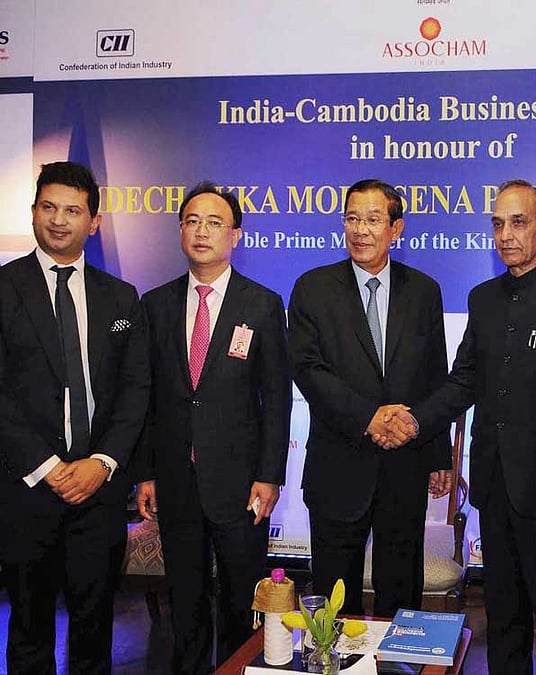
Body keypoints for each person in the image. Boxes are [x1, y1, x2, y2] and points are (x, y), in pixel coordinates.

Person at [385, 179, 536, 674]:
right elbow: (462, 382)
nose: (506, 234)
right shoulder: (483, 298)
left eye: (519, 221)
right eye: (498, 223)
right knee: (504, 617)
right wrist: (415, 419)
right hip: (495, 484)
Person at [133, 182, 291, 672]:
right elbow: (147, 399)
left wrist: (269, 475)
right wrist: (147, 472)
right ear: (180, 229)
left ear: (236, 235)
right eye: (193, 221)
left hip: (242, 484)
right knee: (187, 602)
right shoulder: (154, 305)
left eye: (215, 223)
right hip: (177, 481)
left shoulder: (262, 303)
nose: (202, 231)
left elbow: (277, 399)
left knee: (244, 603)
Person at [0, 161, 151, 674]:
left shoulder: (120, 297)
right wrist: (48, 467)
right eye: (48, 207)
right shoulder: (4, 288)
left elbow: (136, 391)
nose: (58, 220)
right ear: (34, 211)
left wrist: (102, 462)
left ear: (94, 222)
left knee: (95, 631)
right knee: (28, 631)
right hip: (26, 489)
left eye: (72, 210)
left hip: (98, 493)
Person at [287, 178, 452, 618]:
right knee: (335, 599)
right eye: (352, 218)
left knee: (401, 592)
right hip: (339, 466)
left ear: (395, 229)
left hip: (405, 464)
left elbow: (435, 376)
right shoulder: (312, 288)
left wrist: (438, 454)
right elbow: (307, 368)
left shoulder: (424, 292)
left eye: (373, 219)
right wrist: (368, 417)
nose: (361, 229)